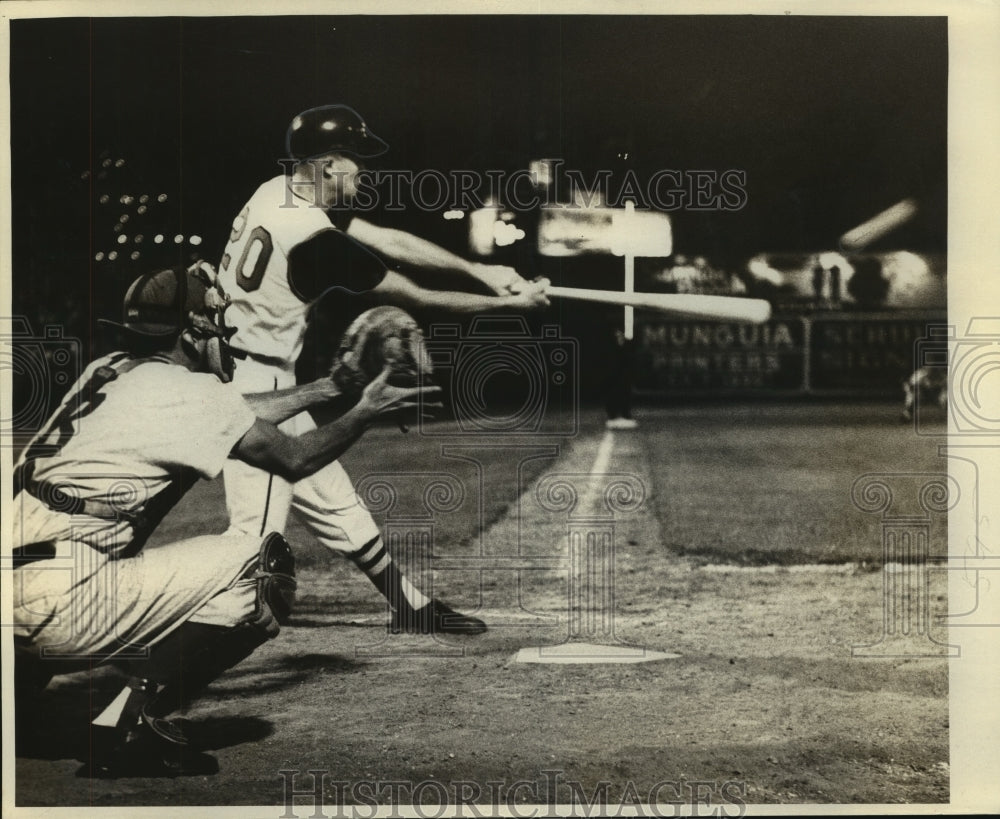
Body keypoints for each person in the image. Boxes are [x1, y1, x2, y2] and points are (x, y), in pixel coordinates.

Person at [11, 262, 436, 778]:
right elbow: (295, 459)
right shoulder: (187, 394)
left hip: (16, 590)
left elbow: (230, 410)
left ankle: (16, 689)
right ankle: (131, 724)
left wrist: (330, 387)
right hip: (59, 605)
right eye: (212, 320)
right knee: (262, 564)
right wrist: (364, 410)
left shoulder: (109, 370)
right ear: (189, 332)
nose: (222, 331)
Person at [217, 104, 550, 634]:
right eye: (355, 160)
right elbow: (416, 296)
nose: (363, 171)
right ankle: (148, 676)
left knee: (335, 501)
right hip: (256, 390)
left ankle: (411, 606)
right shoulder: (310, 236)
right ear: (328, 164)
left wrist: (480, 270)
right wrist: (510, 306)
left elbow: (387, 239)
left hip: (256, 374)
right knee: (252, 543)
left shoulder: (275, 192)